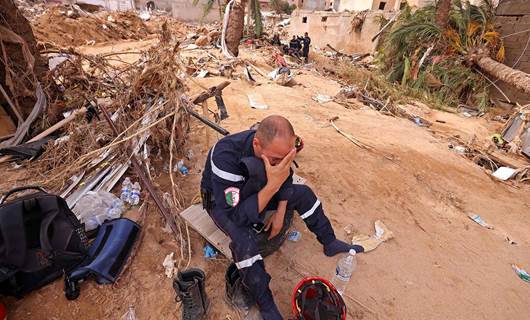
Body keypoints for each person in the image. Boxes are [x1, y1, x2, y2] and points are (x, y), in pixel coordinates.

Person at [201, 115, 363, 320]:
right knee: (245, 240)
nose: (280, 164)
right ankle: (266, 305)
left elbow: (284, 176)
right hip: (224, 205)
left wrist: (280, 211)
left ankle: (329, 242)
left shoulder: (277, 151)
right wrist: (271, 186)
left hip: (257, 191)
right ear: (256, 144)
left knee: (304, 194)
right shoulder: (225, 157)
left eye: (285, 158)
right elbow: (237, 215)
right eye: (276, 160)